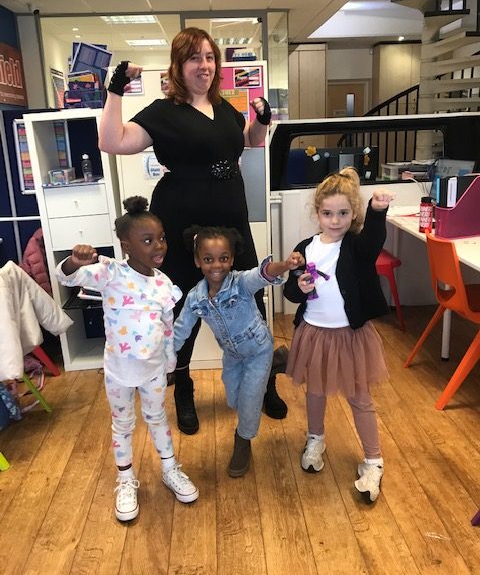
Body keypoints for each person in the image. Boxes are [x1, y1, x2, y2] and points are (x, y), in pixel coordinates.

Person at [98, 27, 288, 435]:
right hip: (182, 221)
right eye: (194, 58)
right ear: (179, 66)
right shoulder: (162, 112)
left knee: (251, 303)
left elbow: (250, 142)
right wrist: (116, 90)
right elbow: (112, 141)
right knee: (184, 307)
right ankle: (183, 389)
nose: (204, 65)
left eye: (209, 57)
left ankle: (264, 384)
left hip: (231, 223)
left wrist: (262, 121)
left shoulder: (225, 109)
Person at [55, 196, 199, 522]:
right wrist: (74, 262)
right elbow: (65, 277)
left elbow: (167, 328)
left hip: (153, 371)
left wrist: (169, 363)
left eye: (161, 238)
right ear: (126, 246)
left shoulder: (164, 284)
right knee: (122, 425)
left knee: (158, 419)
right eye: (147, 240)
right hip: (119, 371)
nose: (158, 246)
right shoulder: (110, 274)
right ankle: (125, 479)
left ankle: (169, 469)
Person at [283, 168, 395, 503]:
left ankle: (373, 460)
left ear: (354, 213)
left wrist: (377, 212)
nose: (335, 220)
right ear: (317, 213)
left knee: (360, 397)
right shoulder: (306, 248)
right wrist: (300, 287)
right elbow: (291, 291)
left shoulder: (357, 245)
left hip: (350, 336)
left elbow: (373, 242)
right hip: (314, 333)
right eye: (328, 213)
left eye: (343, 213)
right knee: (315, 391)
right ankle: (315, 438)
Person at [174, 225, 304, 477]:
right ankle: (277, 362)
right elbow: (181, 330)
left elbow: (263, 273)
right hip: (233, 356)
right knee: (233, 400)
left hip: (257, 350)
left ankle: (243, 441)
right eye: (208, 259)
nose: (217, 265)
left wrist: (285, 265)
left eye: (223, 258)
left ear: (232, 259)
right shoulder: (195, 298)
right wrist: (164, 358)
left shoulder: (241, 283)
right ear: (197, 261)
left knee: (249, 401)